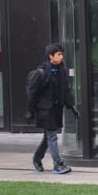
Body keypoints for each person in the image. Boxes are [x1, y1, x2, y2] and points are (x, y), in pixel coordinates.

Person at [26, 43, 78, 174]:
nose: (62, 57)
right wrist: (30, 111)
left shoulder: (62, 71)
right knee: (52, 136)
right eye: (59, 54)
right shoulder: (40, 73)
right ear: (50, 56)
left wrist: (72, 106)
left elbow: (66, 91)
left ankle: (37, 159)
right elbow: (33, 94)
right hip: (45, 111)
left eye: (62, 54)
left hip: (56, 109)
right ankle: (58, 164)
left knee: (48, 137)